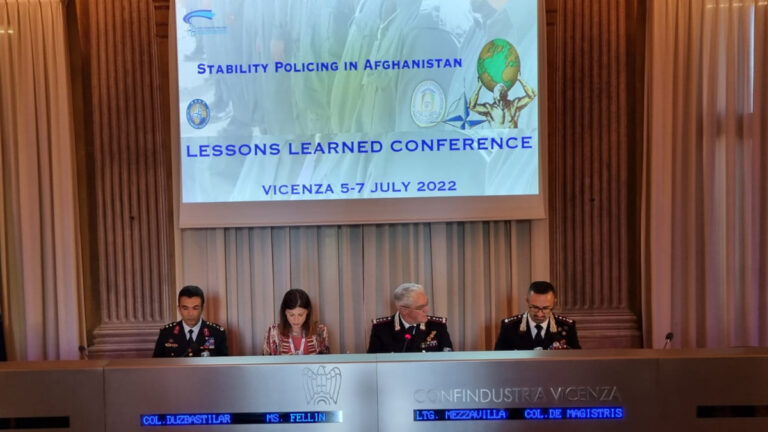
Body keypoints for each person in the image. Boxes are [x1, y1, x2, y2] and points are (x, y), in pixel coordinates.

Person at [367, 283, 453, 353]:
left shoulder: (437, 326)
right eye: (421, 307)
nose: (427, 310)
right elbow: (373, 363)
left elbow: (449, 360)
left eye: (426, 304)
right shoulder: (381, 329)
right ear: (404, 310)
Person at [494, 281, 581, 350]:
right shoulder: (510, 327)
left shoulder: (566, 327)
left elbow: (576, 362)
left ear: (554, 303)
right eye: (535, 307)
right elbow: (499, 362)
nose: (539, 314)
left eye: (546, 308)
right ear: (527, 301)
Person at [153, 285, 228, 357]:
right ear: (179, 309)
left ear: (202, 308)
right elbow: (156, 366)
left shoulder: (217, 333)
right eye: (185, 308)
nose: (190, 314)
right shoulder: (166, 333)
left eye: (195, 308)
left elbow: (224, 367)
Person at [263, 289, 329, 355]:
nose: (296, 320)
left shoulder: (320, 331)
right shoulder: (273, 332)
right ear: (285, 312)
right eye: (291, 315)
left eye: (300, 315)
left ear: (307, 312)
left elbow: (327, 362)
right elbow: (265, 363)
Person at [469, 74, 537, 128]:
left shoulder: (514, 105)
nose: (501, 102)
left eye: (503, 98)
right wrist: (479, 85)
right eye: (499, 99)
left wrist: (520, 79)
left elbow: (531, 96)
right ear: (495, 98)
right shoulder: (489, 109)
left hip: (514, 140)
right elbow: (472, 106)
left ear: (506, 96)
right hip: (497, 141)